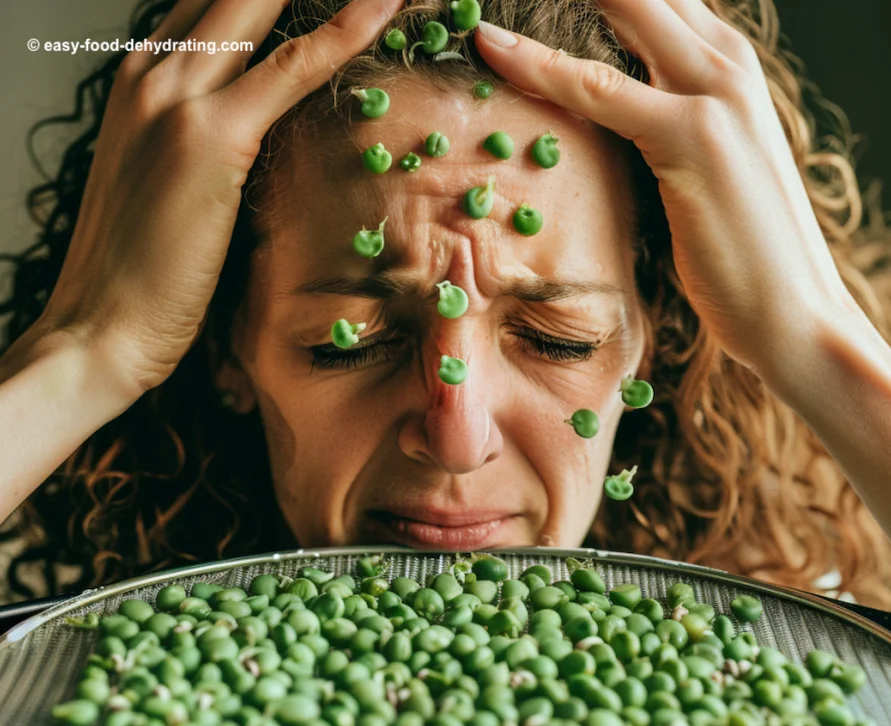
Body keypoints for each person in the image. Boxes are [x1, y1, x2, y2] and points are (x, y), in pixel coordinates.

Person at [1, 0, 890, 609]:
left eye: (556, 339)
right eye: (349, 342)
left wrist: (809, 336)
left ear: (655, 333)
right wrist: (88, 351)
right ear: (224, 338)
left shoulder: (790, 632)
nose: (457, 437)